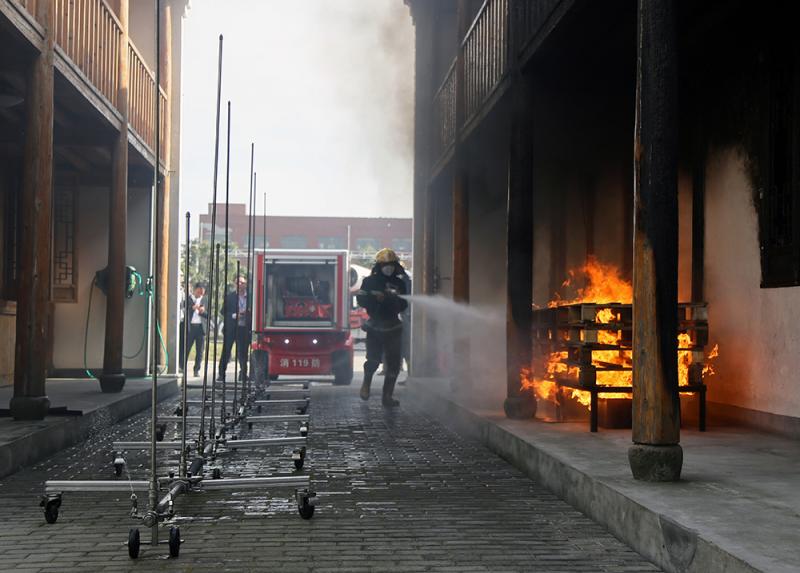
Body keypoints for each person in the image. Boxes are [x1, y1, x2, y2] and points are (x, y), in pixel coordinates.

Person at [356, 248, 408, 407]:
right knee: (372, 360)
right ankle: (366, 384)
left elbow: (404, 304)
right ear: (379, 266)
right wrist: (376, 300)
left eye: (391, 265)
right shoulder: (369, 282)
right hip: (375, 326)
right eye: (385, 265)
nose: (389, 268)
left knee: (393, 365)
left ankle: (387, 397)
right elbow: (361, 300)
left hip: (393, 326)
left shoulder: (399, 283)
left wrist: (394, 300)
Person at [218, 276, 251, 381]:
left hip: (244, 328)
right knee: (226, 351)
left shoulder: (250, 297)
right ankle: (221, 374)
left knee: (243, 352)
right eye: (237, 283)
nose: (240, 285)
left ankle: (243, 374)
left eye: (242, 282)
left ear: (245, 284)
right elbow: (223, 312)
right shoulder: (230, 297)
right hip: (232, 327)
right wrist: (234, 315)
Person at [183, 282, 208, 377]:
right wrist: (192, 308)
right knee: (186, 348)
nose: (200, 295)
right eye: (198, 292)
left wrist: (203, 311)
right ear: (194, 290)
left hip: (201, 328)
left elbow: (209, 315)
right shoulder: (188, 299)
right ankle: (182, 367)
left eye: (202, 293)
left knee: (200, 351)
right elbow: (183, 309)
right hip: (190, 327)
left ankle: (196, 370)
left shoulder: (205, 300)